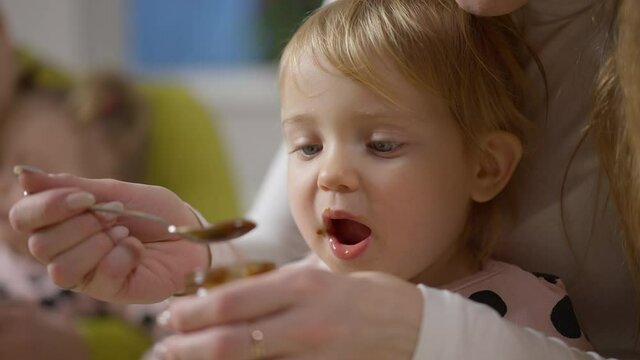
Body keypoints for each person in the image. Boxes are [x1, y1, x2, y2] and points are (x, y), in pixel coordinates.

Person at [7, 0, 639, 359]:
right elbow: (265, 257)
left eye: (383, 145)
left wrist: (427, 332)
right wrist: (208, 262)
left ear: (485, 167)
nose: (331, 173)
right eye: (304, 146)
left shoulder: (526, 314)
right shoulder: (301, 290)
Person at [0, 16, 162, 357]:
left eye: (29, 171)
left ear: (101, 202)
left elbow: (180, 321)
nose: (2, 184)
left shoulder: (101, 266)